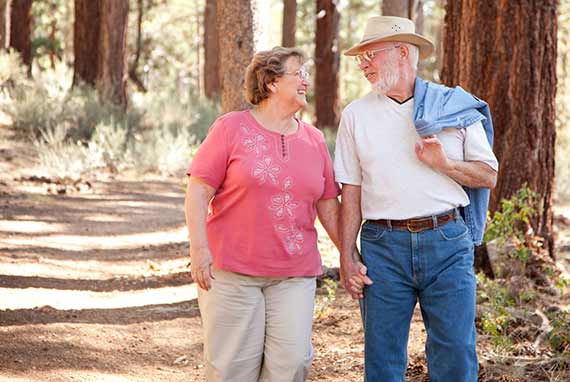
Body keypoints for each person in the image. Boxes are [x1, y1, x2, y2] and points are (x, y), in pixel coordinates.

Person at [334, 16, 499, 382]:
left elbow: (488, 175)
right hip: (382, 246)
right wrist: (346, 256)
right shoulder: (355, 116)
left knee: (455, 351)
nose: (363, 65)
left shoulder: (453, 107)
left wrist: (445, 164)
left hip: (447, 241)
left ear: (403, 53)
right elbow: (352, 190)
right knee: (383, 357)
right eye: (359, 58)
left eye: (370, 56)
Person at [184, 47, 341, 382]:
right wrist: (199, 249)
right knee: (231, 370)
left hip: (294, 274)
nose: (305, 81)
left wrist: (350, 255)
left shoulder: (314, 140)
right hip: (232, 272)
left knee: (292, 364)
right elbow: (198, 190)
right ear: (271, 82)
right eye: (298, 73)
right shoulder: (231, 128)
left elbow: (328, 203)